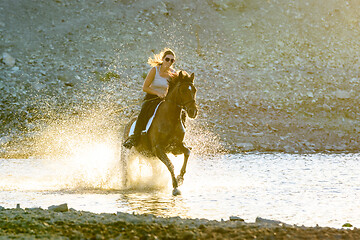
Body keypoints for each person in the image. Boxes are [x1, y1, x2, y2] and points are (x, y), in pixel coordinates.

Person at [123, 48, 178, 149]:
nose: (169, 62)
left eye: (172, 60)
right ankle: (134, 137)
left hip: (164, 100)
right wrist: (157, 93)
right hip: (151, 98)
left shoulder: (173, 73)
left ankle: (176, 140)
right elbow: (145, 88)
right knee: (144, 112)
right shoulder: (154, 70)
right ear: (162, 59)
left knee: (178, 113)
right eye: (167, 59)